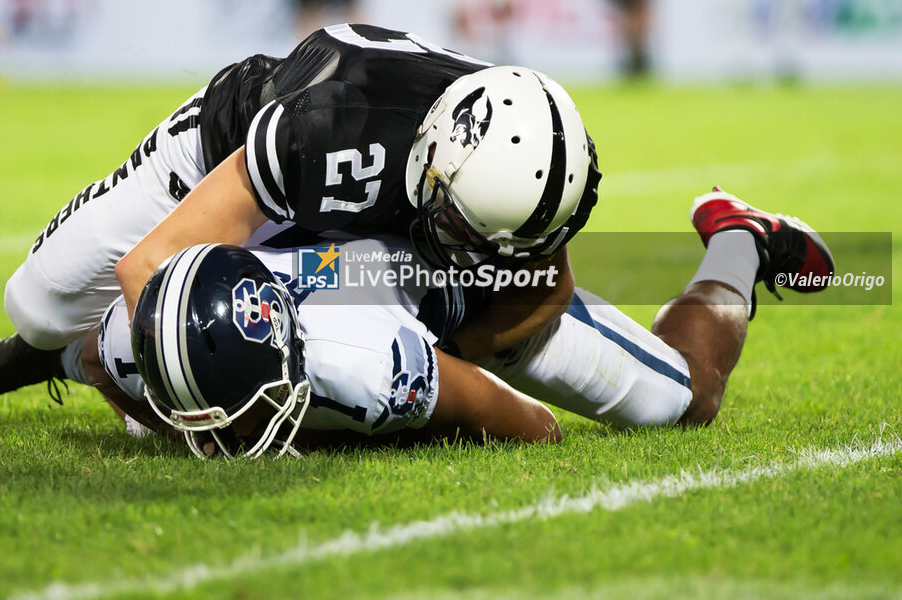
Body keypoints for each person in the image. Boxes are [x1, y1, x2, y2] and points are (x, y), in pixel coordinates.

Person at [0, 23, 601, 410]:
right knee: (41, 304)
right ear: (437, 164)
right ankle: (44, 356)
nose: (473, 255)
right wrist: (199, 409)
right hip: (225, 158)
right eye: (464, 229)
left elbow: (551, 286)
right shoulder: (330, 129)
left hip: (360, 216)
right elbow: (145, 267)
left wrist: (442, 361)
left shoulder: (520, 156)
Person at [67, 185, 833, 458]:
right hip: (375, 263)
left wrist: (391, 422)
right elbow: (97, 359)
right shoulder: (144, 321)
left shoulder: (369, 363)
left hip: (486, 283)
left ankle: (740, 239)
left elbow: (536, 428)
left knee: (684, 400)